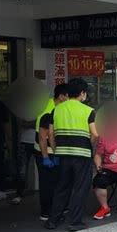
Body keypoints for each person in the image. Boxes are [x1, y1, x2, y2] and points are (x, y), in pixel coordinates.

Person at [46, 78, 98, 232]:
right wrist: (89, 147)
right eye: (85, 93)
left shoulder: (57, 109)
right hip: (82, 156)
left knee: (62, 187)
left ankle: (52, 220)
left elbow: (50, 134)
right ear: (82, 93)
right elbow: (95, 134)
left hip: (62, 155)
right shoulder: (88, 110)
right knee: (80, 188)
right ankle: (75, 222)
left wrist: (56, 151)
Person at [34, 83, 69, 220]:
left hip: (53, 151)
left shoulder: (57, 107)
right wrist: (45, 157)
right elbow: (42, 138)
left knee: (56, 181)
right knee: (47, 183)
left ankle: (58, 208)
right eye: (68, 96)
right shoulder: (47, 111)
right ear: (61, 96)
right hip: (44, 152)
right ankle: (46, 212)